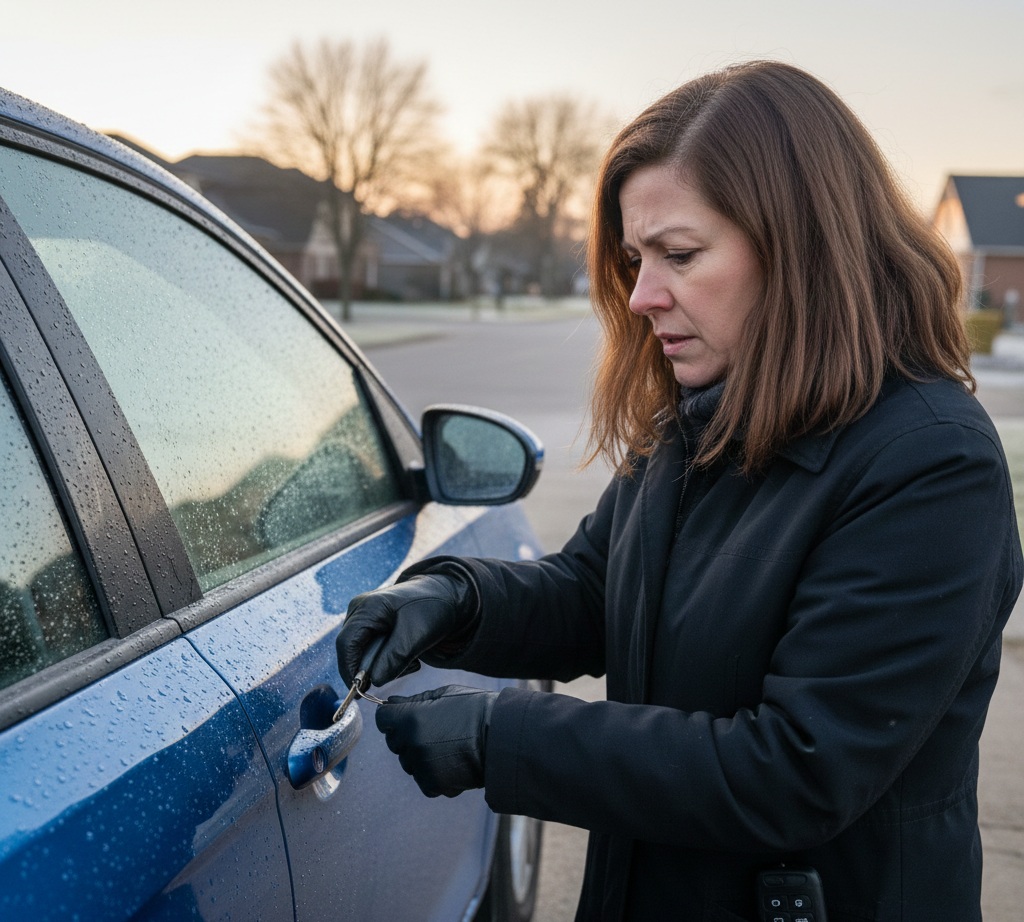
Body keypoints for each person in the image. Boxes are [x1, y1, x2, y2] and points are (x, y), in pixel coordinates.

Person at [336, 61, 1022, 921]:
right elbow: (594, 592)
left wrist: (496, 737)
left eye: (681, 255)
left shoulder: (930, 465)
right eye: (633, 259)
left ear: (805, 248)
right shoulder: (699, 422)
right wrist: (452, 603)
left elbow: (797, 769)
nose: (642, 296)